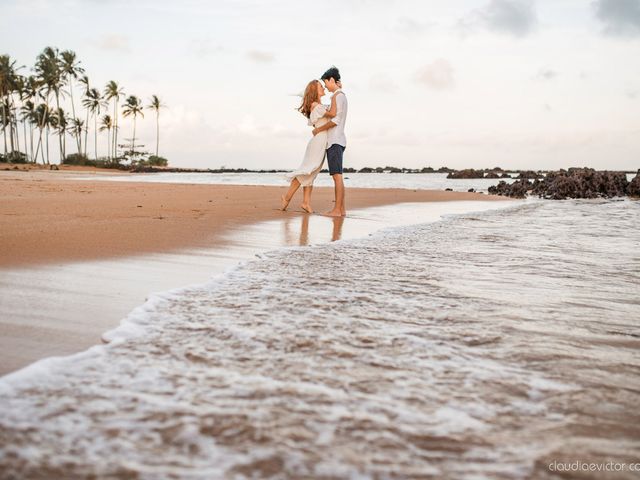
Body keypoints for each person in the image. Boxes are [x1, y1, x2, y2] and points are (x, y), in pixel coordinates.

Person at [281, 79, 338, 213]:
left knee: (311, 172)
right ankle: (287, 197)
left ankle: (306, 202)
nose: (323, 88)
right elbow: (333, 114)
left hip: (320, 141)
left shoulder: (318, 106)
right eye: (320, 86)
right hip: (318, 142)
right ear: (314, 90)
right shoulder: (316, 106)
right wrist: (336, 95)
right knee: (307, 170)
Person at [313, 66, 348, 217]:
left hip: (335, 141)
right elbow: (331, 112)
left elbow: (336, 119)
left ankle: (337, 210)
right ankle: (341, 209)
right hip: (338, 140)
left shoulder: (338, 96)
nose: (326, 87)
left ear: (332, 80)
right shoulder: (340, 96)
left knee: (337, 176)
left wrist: (318, 130)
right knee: (337, 175)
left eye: (325, 83)